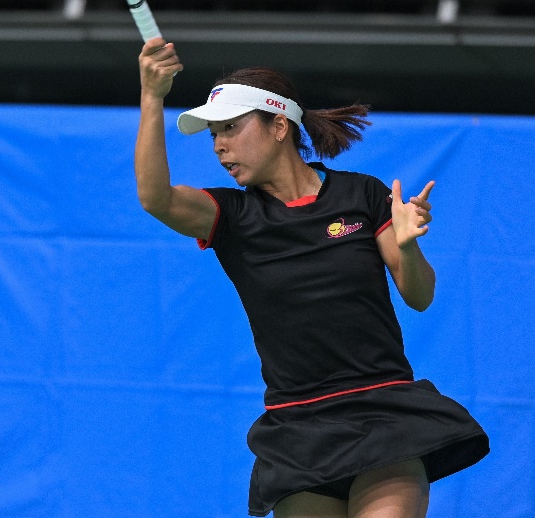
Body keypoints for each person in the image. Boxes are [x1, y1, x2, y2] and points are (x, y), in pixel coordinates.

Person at [135, 38, 489, 518]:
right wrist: (153, 94)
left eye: (231, 129)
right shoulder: (232, 215)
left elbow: (420, 297)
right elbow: (157, 198)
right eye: (213, 134)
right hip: (298, 430)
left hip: (384, 413)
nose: (219, 145)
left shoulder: (362, 195)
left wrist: (408, 245)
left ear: (279, 125)